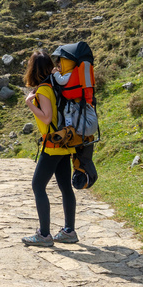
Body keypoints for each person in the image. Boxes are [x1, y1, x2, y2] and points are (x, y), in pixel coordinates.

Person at [21, 50, 79, 247]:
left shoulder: (45, 90)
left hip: (53, 146)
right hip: (64, 144)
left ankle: (44, 234)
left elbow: (46, 117)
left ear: (33, 69)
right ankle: (69, 231)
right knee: (65, 188)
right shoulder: (56, 86)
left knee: (38, 186)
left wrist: (30, 102)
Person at [51, 44, 99, 189]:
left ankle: (70, 133)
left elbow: (61, 81)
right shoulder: (79, 73)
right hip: (84, 107)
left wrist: (54, 73)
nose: (58, 64)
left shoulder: (70, 74)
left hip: (75, 108)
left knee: (70, 120)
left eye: (60, 61)